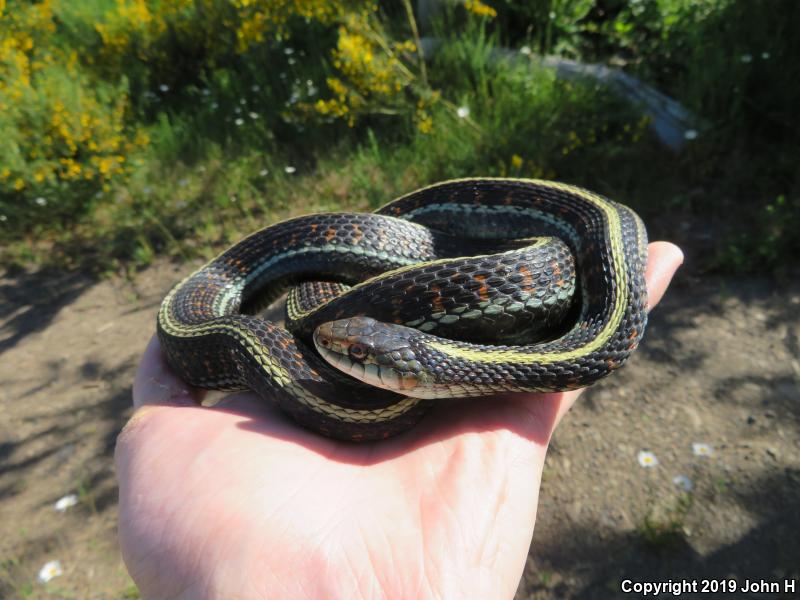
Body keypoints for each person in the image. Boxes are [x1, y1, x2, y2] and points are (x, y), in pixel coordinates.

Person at [116, 242, 683, 599]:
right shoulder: (416, 374)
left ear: (410, 377)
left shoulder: (561, 337)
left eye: (356, 358)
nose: (331, 344)